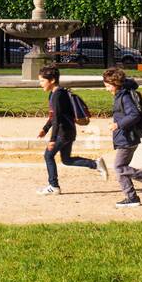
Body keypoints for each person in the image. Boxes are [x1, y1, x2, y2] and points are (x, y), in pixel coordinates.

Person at [36, 66, 106, 194]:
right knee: (66, 160)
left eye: (42, 81)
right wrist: (45, 129)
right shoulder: (56, 93)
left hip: (63, 133)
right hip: (68, 132)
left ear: (51, 80)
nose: (40, 84)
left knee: (48, 155)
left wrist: (52, 139)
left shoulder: (57, 95)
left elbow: (56, 119)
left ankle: (54, 186)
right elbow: (54, 116)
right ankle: (96, 164)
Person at [105, 67, 142, 208]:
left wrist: (118, 125)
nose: (106, 89)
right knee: (121, 167)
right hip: (126, 137)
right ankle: (133, 196)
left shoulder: (124, 97)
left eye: (108, 86)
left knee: (119, 167)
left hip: (127, 138)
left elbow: (134, 115)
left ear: (116, 84)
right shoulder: (121, 95)